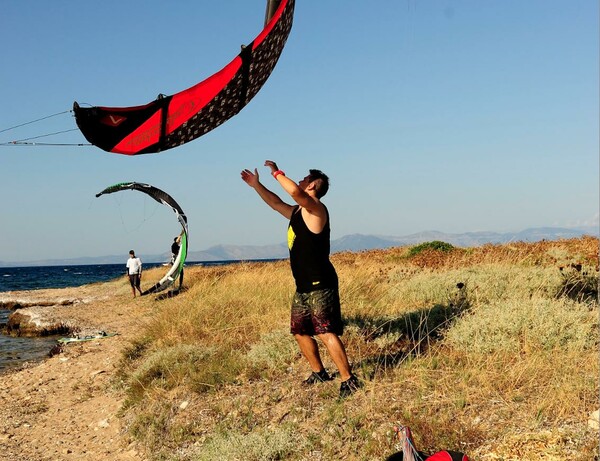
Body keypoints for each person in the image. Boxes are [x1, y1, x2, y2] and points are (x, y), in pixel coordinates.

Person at [241, 160, 361, 397]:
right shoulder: (298, 212)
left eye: (306, 178)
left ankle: (349, 379)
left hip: (321, 283)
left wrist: (276, 171)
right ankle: (319, 372)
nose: (301, 180)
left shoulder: (316, 209)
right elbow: (276, 203)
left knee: (326, 332)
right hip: (303, 285)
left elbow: (294, 192)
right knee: (300, 331)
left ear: (314, 185)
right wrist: (257, 185)